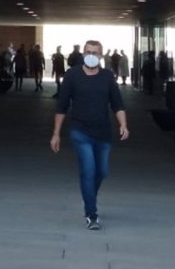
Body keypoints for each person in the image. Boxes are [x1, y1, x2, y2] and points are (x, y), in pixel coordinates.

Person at [50, 40, 129, 231]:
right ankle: (91, 214)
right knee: (89, 170)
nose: (91, 55)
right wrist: (56, 134)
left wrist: (123, 124)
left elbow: (117, 104)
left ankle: (89, 195)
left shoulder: (107, 77)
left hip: (103, 133)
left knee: (101, 171)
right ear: (82, 54)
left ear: (101, 56)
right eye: (88, 52)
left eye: (95, 52)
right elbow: (62, 106)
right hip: (80, 132)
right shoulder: (73, 75)